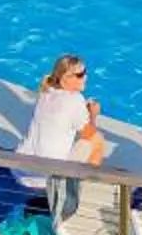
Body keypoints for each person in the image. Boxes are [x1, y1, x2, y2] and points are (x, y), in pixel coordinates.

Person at [18, 53, 109, 215]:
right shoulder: (74, 100)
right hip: (43, 178)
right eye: (80, 74)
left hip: (19, 169)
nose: (86, 76)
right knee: (97, 140)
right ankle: (70, 191)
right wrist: (93, 114)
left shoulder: (46, 91)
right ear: (66, 78)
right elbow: (89, 134)